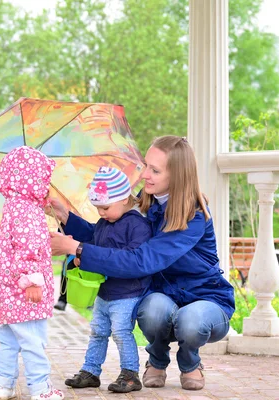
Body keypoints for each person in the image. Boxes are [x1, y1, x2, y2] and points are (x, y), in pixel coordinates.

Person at [47, 136, 235, 391]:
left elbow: (142, 261)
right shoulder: (146, 201)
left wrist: (76, 248)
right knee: (151, 308)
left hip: (205, 298)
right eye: (146, 165)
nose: (144, 174)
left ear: (177, 176)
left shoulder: (194, 216)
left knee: (189, 321)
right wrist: (66, 217)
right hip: (165, 295)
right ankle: (157, 358)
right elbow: (107, 237)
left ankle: (190, 363)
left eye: (155, 170)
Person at [63, 166, 153, 393]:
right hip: (104, 292)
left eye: (105, 207)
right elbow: (94, 247)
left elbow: (131, 259)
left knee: (121, 332)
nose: (101, 213)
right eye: (98, 208)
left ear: (124, 199)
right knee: (98, 331)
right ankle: (90, 371)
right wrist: (81, 257)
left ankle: (130, 373)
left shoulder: (137, 225)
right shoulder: (104, 223)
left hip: (127, 293)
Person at [0, 146, 64, 400]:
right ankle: (40, 388)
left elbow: (21, 245)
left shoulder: (12, 206)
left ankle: (3, 385)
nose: (47, 183)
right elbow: (28, 248)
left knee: (10, 339)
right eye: (44, 178)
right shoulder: (28, 211)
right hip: (25, 292)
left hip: (7, 292)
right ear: (32, 180)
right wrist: (32, 281)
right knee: (33, 339)